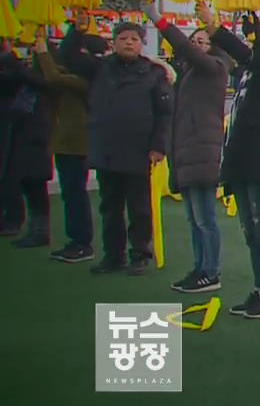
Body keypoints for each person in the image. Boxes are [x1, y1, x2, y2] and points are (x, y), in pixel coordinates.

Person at [201, 3, 260, 320]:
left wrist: (218, 29)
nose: (249, 42)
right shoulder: (250, 73)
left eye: (254, 37)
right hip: (240, 162)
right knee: (250, 229)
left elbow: (258, 57)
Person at [64, 21, 173, 276]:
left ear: (142, 44)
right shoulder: (100, 68)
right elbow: (68, 57)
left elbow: (164, 113)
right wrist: (77, 30)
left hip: (139, 149)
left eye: (134, 39)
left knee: (139, 207)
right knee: (110, 206)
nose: (128, 43)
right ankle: (114, 255)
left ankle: (141, 255)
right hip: (107, 148)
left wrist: (158, 146)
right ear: (113, 42)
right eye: (123, 38)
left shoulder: (153, 73)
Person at [140, 3, 231, 293]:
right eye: (194, 41)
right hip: (186, 152)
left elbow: (183, 48)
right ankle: (200, 267)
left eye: (202, 41)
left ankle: (211, 271)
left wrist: (158, 19)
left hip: (202, 152)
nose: (196, 46)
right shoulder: (189, 76)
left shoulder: (214, 68)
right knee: (194, 218)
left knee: (205, 218)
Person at [33, 27, 100, 262]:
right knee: (72, 194)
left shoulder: (82, 82)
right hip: (69, 144)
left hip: (75, 145)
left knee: (75, 194)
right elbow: (58, 64)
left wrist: (42, 50)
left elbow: (53, 74)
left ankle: (82, 243)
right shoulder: (76, 77)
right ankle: (78, 241)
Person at [0, 36, 52, 246]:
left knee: (33, 181)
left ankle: (37, 229)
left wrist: (11, 59)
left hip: (35, 132)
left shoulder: (40, 71)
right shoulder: (16, 74)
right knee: (19, 178)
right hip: (21, 129)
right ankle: (25, 224)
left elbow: (43, 81)